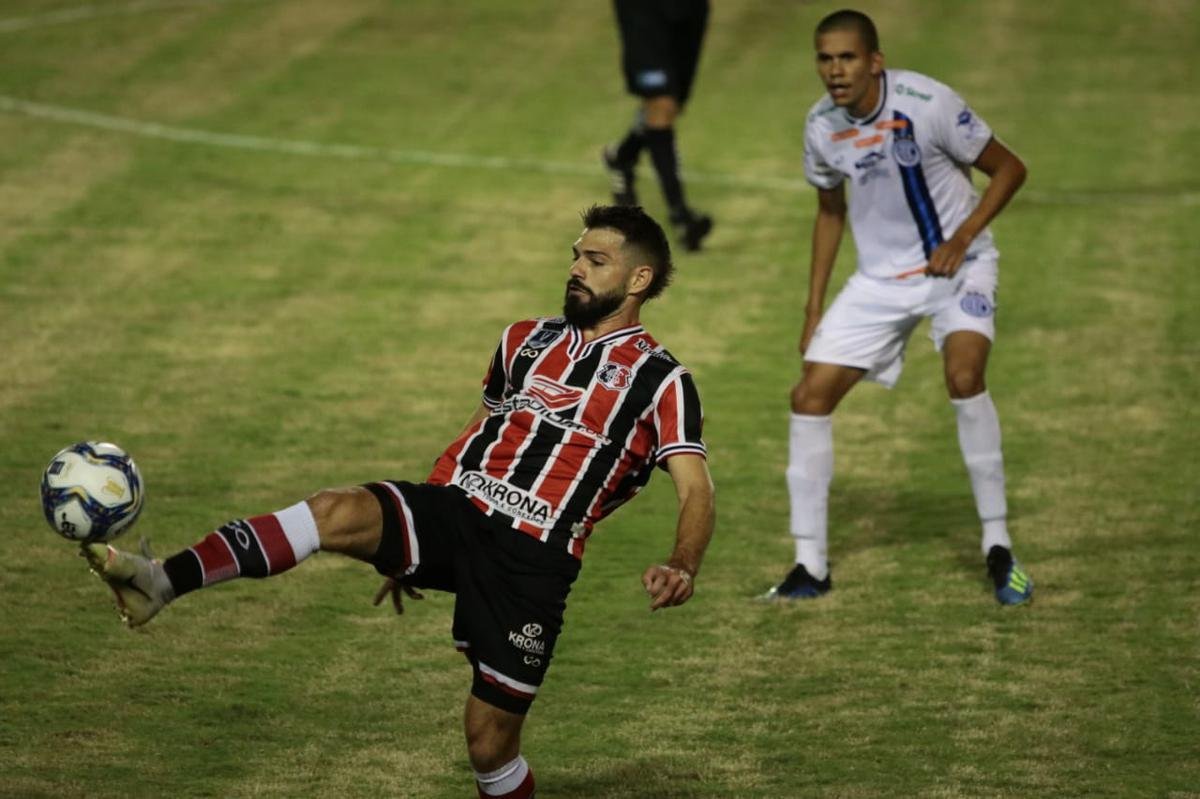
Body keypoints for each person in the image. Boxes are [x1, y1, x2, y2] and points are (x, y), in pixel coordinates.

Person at [84, 204, 716, 798]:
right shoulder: (523, 339)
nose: (576, 269)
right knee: (335, 510)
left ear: (640, 277)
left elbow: (695, 488)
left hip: (533, 558)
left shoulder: (663, 380)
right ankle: (160, 581)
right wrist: (410, 540)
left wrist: (683, 562)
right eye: (576, 256)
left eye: (595, 261)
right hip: (457, 510)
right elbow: (477, 431)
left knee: (488, 745)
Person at [761, 10, 1033, 605]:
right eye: (825, 58)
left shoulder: (927, 102)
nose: (835, 70)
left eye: (847, 58)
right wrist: (813, 309)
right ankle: (810, 565)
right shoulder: (822, 127)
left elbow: (1010, 169)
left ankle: (999, 546)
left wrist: (961, 239)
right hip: (880, 282)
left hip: (959, 266)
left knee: (964, 375)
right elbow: (829, 212)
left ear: (875, 61)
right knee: (808, 397)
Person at [602, 0, 714, 252]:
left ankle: (622, 157)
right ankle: (681, 215)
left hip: (690, 10)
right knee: (661, 105)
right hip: (645, 10)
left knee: (671, 105)